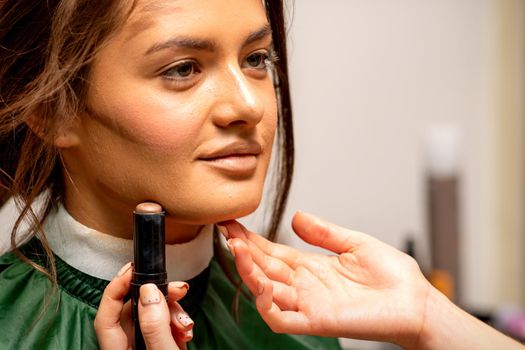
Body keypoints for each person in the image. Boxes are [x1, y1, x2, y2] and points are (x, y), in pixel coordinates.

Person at [0, 0, 340, 349]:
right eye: (181, 69)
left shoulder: (302, 326)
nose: (249, 107)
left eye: (256, 59)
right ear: (51, 109)